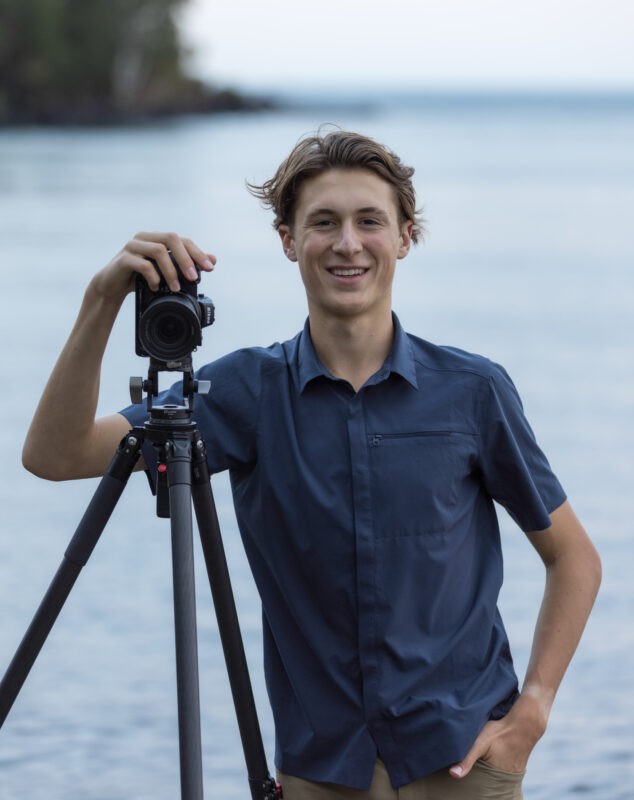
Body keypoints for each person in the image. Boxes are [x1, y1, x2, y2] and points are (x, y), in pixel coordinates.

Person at [22, 130, 601, 800]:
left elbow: (574, 558)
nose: (347, 243)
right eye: (323, 222)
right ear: (289, 241)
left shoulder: (473, 391)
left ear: (405, 237)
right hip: (321, 774)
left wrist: (531, 713)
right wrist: (103, 298)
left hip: (465, 764)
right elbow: (56, 455)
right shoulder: (245, 393)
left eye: (370, 221)